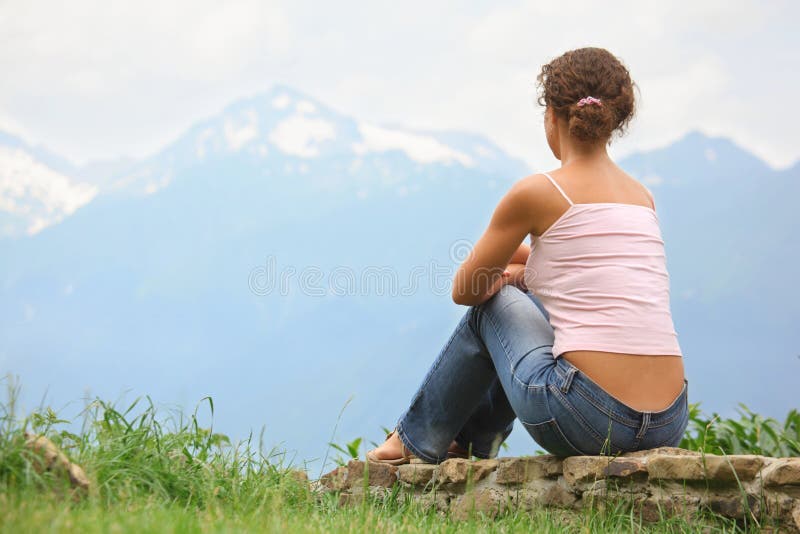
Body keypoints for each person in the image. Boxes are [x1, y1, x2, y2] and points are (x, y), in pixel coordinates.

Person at [366, 47, 689, 464]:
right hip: (668, 421)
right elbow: (579, 277)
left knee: (492, 306)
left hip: (586, 418)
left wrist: (504, 276)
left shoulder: (538, 192)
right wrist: (521, 272)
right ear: (614, 121)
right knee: (525, 299)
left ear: (551, 117)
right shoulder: (642, 198)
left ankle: (415, 440)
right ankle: (468, 444)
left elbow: (466, 291)